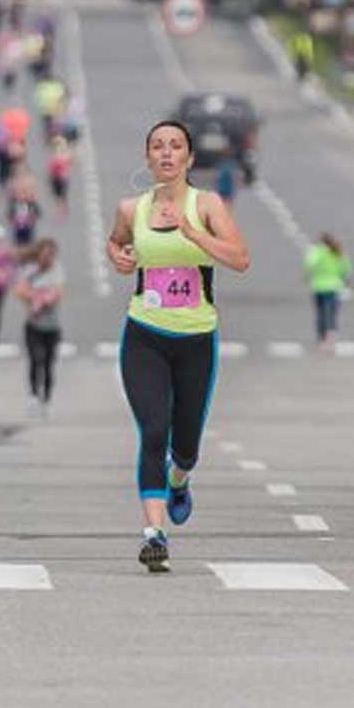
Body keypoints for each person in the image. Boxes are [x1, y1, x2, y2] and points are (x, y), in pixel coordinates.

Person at [106, 120, 250, 574]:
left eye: (175, 147)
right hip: (144, 335)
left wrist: (194, 234)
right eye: (157, 147)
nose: (166, 153)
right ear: (148, 159)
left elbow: (240, 259)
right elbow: (116, 244)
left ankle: (180, 479)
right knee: (153, 430)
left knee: (185, 444)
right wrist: (119, 257)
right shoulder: (131, 209)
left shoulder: (207, 205)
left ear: (189, 159)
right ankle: (154, 533)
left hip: (196, 340)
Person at [14, 238, 65, 417]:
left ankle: (47, 399)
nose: (48, 258)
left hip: (52, 326)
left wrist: (41, 301)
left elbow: (58, 293)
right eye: (45, 254)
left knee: (49, 364)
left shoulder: (56, 270)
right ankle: (34, 395)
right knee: (36, 359)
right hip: (33, 325)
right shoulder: (30, 270)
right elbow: (19, 290)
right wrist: (34, 296)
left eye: (51, 254)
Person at [303, 233, 351, 351]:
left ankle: (321, 338)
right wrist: (344, 280)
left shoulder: (316, 252)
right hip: (334, 287)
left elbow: (308, 265)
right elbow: (346, 268)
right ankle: (331, 337)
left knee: (321, 314)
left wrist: (309, 277)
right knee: (331, 314)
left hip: (318, 287)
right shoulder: (337, 252)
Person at [7, 172, 41, 246]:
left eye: (25, 193)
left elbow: (38, 213)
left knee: (29, 241)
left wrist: (33, 218)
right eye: (20, 193)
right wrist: (13, 219)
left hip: (28, 226)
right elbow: (10, 214)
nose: (22, 196)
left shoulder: (31, 204)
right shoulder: (14, 204)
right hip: (18, 227)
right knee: (17, 241)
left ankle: (28, 251)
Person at [48, 135, 73, 219]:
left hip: (62, 178)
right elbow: (51, 167)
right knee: (56, 194)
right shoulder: (54, 154)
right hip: (54, 177)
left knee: (62, 194)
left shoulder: (65, 154)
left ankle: (62, 209)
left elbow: (69, 162)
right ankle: (59, 208)